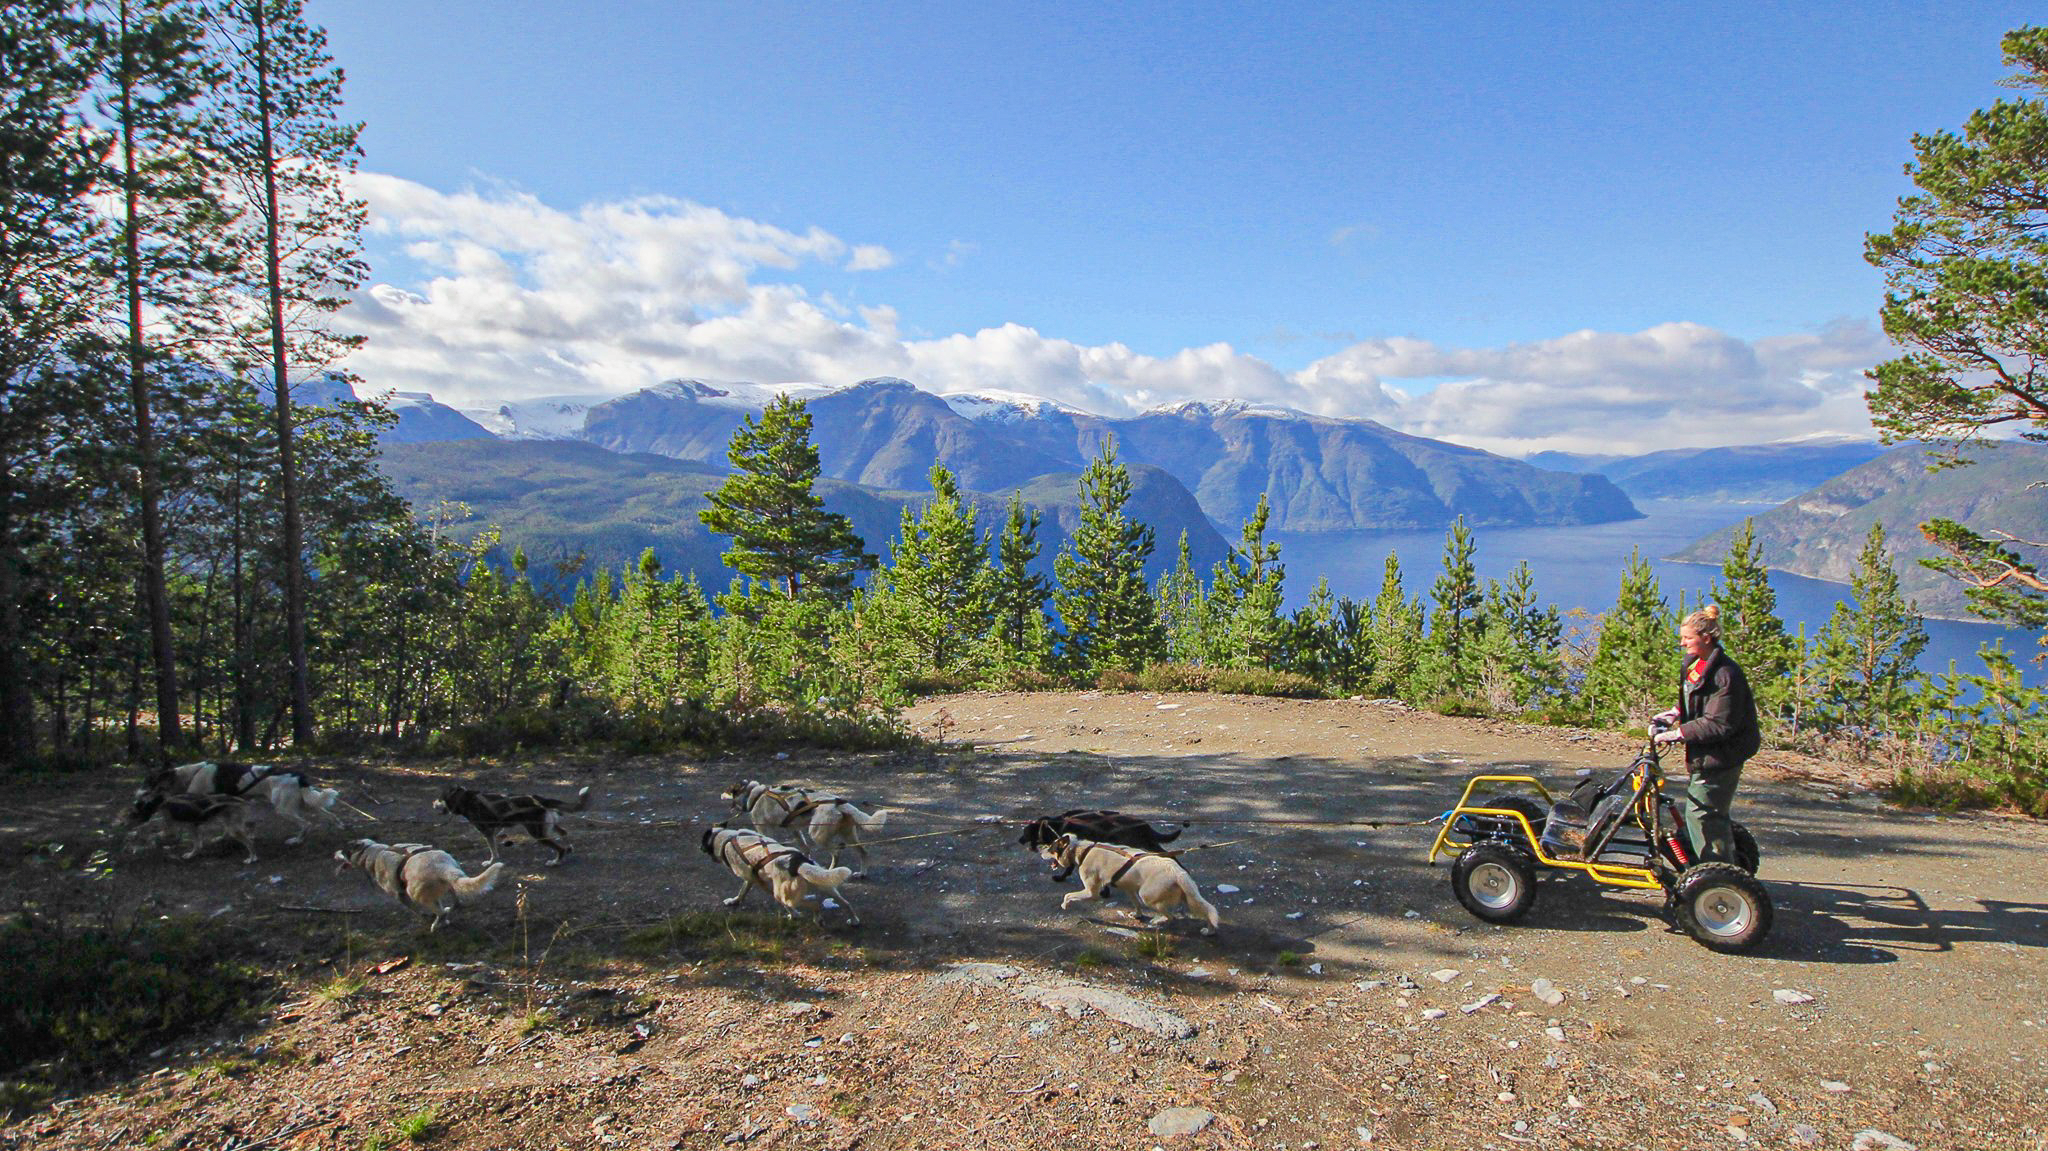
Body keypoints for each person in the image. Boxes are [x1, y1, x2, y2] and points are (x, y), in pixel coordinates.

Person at [1650, 604, 1761, 864]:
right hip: (1708, 751)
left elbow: (1720, 723)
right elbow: (1697, 700)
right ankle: (1713, 863)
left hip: (1723, 753)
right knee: (1703, 810)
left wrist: (1678, 734)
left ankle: (1717, 875)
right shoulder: (1696, 664)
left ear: (1706, 638)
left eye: (1688, 638)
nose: (1682, 643)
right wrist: (1676, 712)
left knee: (1703, 813)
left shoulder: (1725, 674)